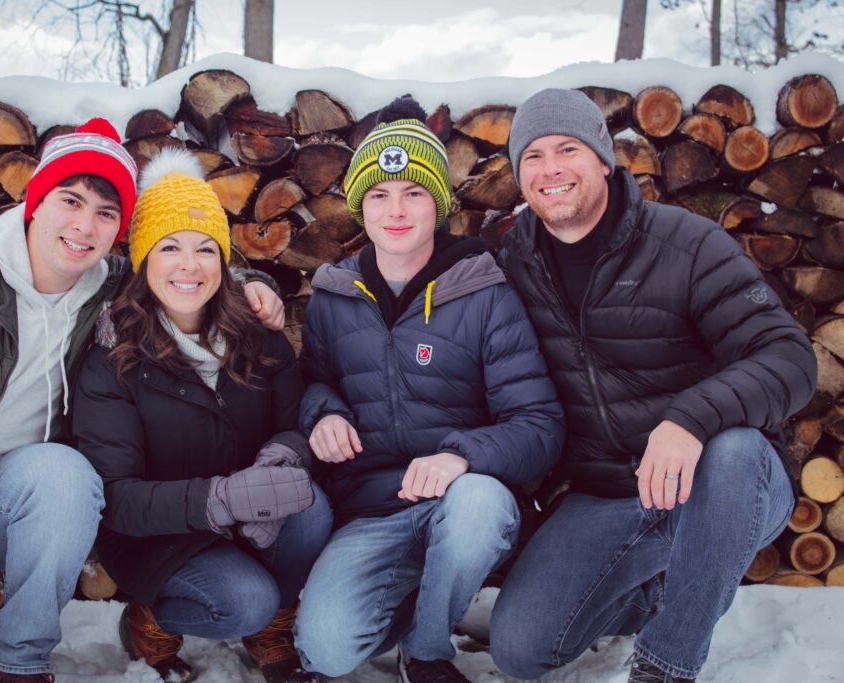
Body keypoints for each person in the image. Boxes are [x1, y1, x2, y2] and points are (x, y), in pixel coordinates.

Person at [0, 119, 284, 683]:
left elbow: (182, 264)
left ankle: (22, 658)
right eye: (71, 201)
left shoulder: (110, 286)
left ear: (119, 232)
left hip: (25, 491)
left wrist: (253, 283)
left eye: (106, 214)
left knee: (66, 472)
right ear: (36, 201)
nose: (84, 226)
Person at [490, 88, 817, 683]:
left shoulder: (685, 245)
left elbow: (789, 357)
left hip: (718, 482)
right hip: (609, 492)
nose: (550, 169)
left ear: (603, 158)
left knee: (735, 448)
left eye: (568, 149)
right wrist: (258, 285)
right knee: (520, 649)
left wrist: (689, 419)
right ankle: (691, 576)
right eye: (532, 156)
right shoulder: (511, 263)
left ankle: (666, 664)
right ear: (518, 174)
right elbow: (410, 265)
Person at [292, 97, 564, 683]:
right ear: (360, 207)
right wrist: (323, 414)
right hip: (370, 511)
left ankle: (428, 651)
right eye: (379, 195)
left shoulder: (485, 291)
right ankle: (418, 594)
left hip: (464, 501)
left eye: (413, 193)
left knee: (475, 507)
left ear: (437, 204)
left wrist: (459, 457)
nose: (396, 210)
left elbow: (540, 424)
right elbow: (311, 381)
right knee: (328, 650)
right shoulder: (334, 296)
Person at [72, 147, 332, 683]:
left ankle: (273, 627)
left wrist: (284, 456)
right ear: (143, 261)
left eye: (204, 249)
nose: (189, 266)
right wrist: (221, 498)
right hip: (158, 535)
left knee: (311, 508)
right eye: (169, 248)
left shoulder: (257, 332)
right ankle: (151, 619)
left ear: (223, 260)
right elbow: (116, 497)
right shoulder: (113, 355)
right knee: (244, 600)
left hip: (251, 512)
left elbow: (293, 420)